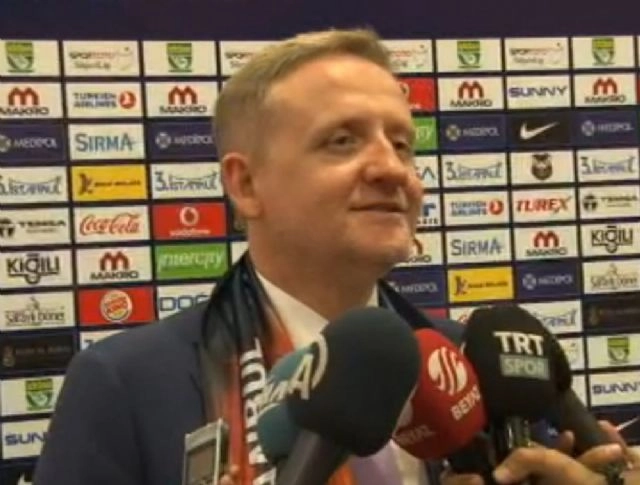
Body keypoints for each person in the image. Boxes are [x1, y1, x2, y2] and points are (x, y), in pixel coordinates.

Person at [34, 28, 632, 485]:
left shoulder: (473, 366)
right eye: (342, 141)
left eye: (402, 143)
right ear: (246, 185)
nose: (391, 168)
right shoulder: (127, 385)